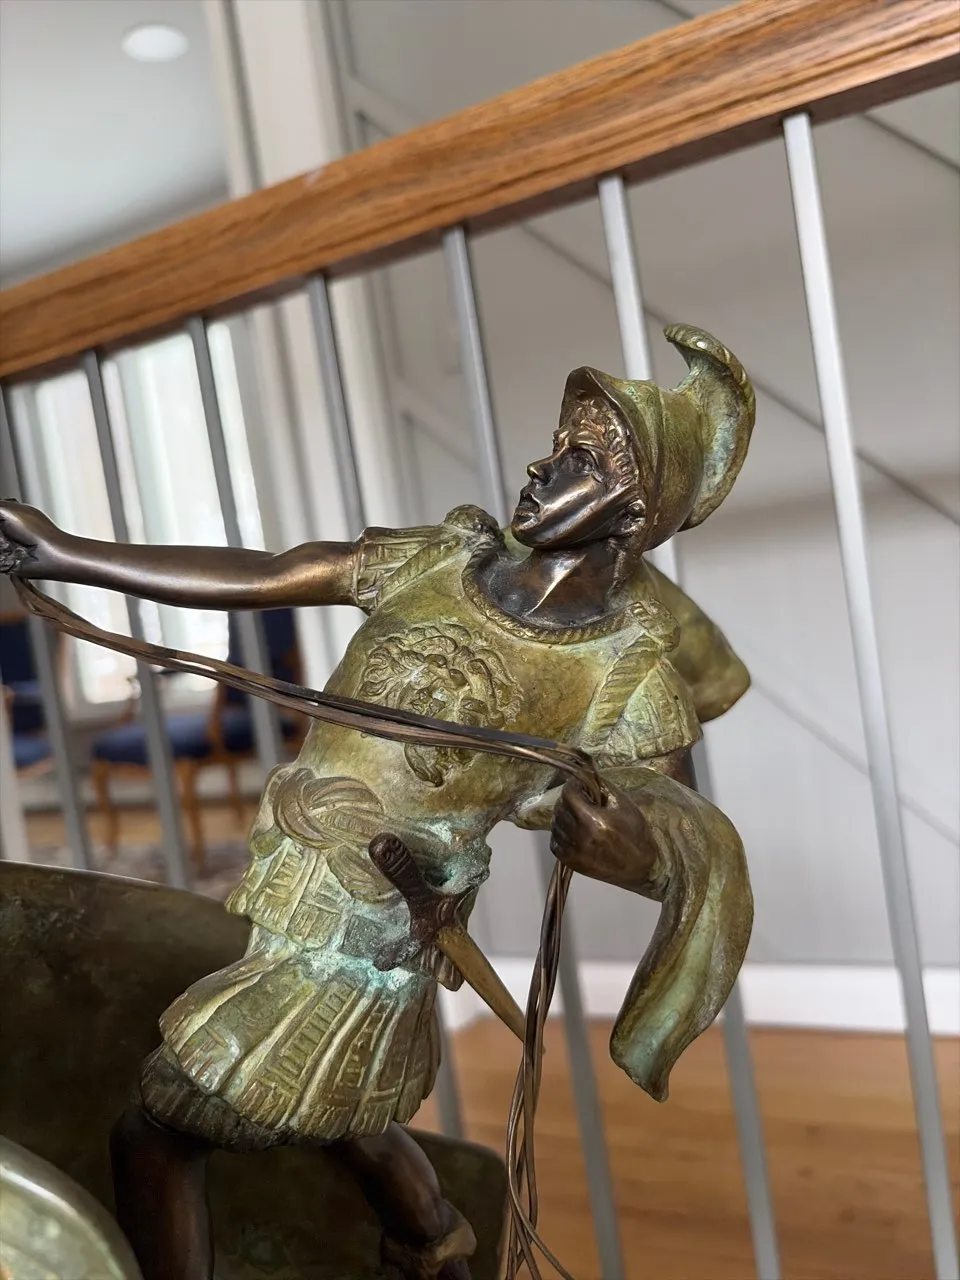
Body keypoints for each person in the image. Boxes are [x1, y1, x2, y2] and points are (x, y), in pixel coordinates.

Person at [0, 322, 755, 1280]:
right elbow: (273, 572)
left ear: (634, 511)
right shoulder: (443, 558)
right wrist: (68, 555)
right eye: (557, 445)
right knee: (336, 1112)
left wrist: (630, 844)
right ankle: (432, 1240)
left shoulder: (623, 670)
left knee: (157, 1130)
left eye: (582, 461)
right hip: (308, 888)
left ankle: (428, 1238)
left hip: (374, 925)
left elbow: (671, 821)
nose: (542, 466)